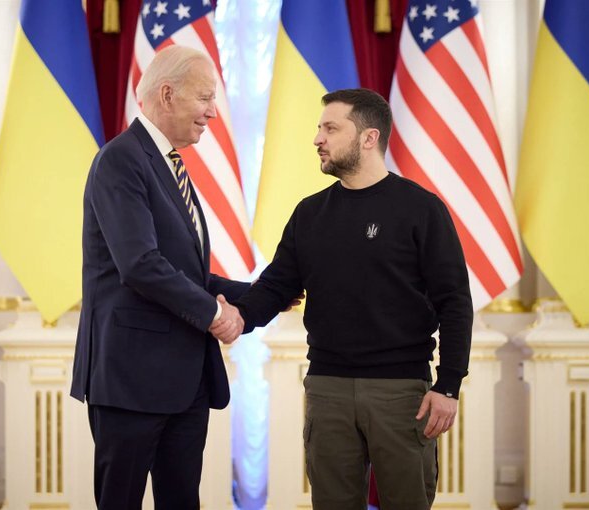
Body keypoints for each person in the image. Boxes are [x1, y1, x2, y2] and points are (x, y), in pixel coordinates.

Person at [232, 88, 473, 510]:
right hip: (327, 389)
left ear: (368, 137)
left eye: (330, 128)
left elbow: (455, 302)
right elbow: (275, 287)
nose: (317, 139)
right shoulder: (309, 214)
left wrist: (448, 385)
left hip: (402, 392)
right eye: (319, 128)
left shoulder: (421, 209)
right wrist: (232, 316)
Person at [70, 46, 248, 510]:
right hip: (130, 380)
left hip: (184, 383)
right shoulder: (120, 159)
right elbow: (140, 264)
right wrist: (215, 315)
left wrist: (267, 293)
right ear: (167, 94)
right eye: (205, 98)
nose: (213, 112)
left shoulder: (168, 163)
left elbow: (186, 273)